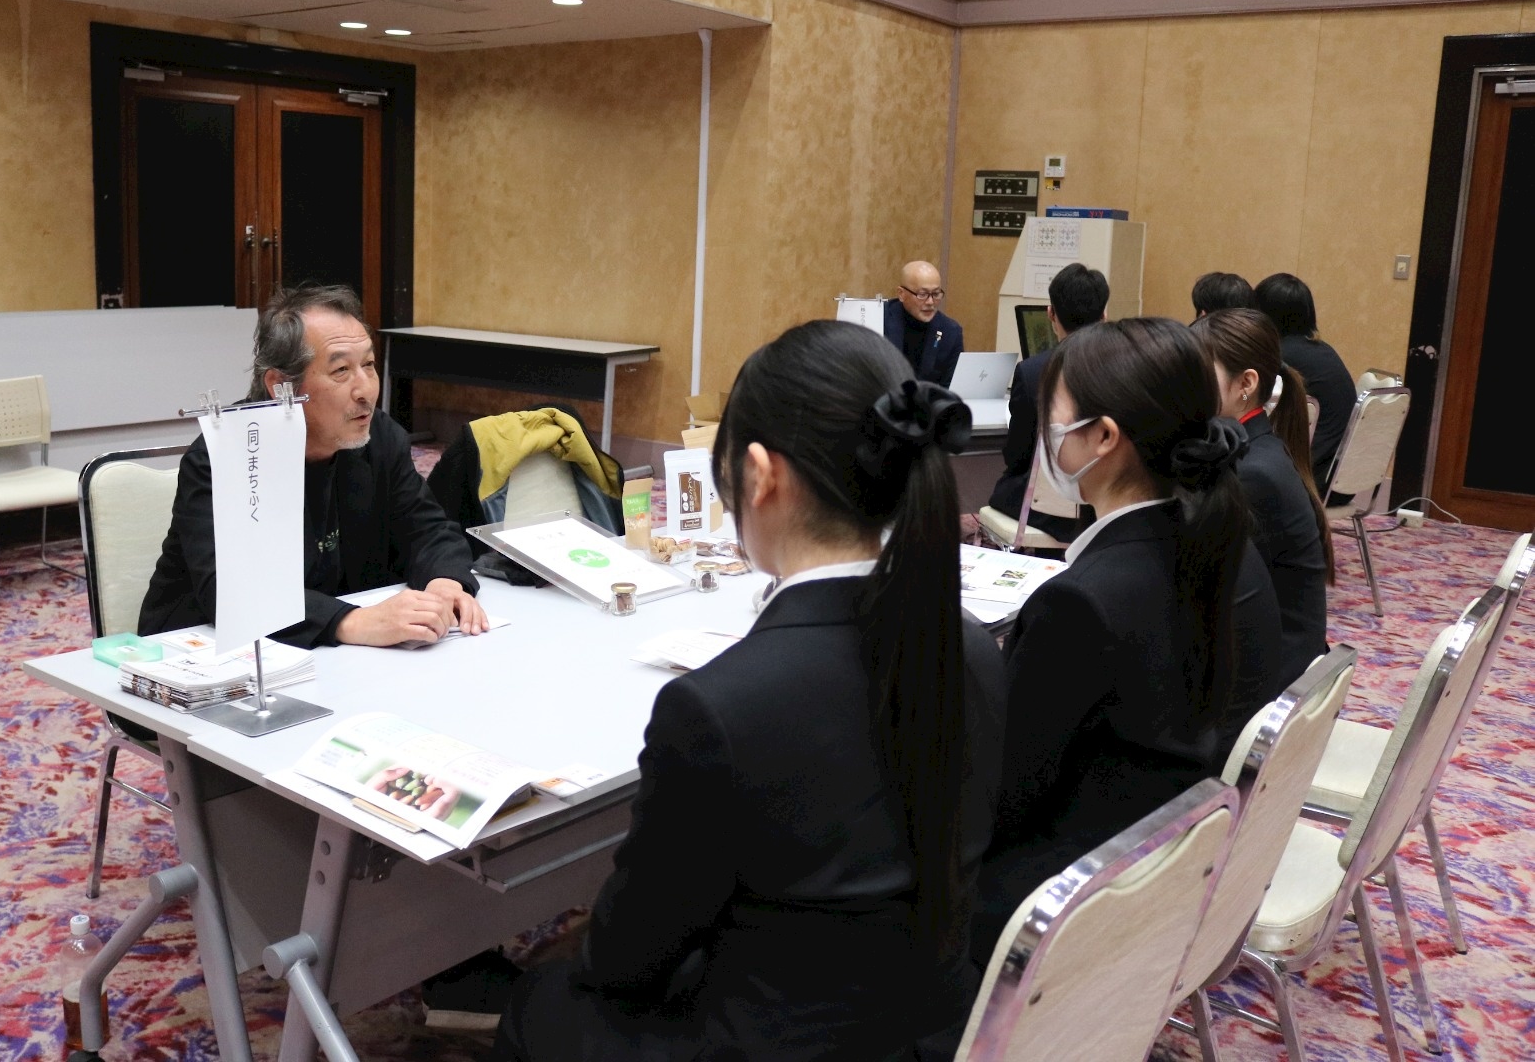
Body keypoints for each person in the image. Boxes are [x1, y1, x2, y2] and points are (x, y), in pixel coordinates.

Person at [492, 320, 1007, 1062]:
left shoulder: (720, 708)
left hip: (768, 1044)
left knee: (539, 1002)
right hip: (938, 1025)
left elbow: (626, 961)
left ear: (760, 475)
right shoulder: (972, 645)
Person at [965, 317, 1282, 999]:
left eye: (1053, 417)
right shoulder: (1217, 537)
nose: (1047, 434)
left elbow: (1001, 802)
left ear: (1104, 437)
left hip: (1065, 905)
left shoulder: (1081, 603)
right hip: (1161, 861)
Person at [138, 284, 485, 648]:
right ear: (280, 385)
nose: (366, 390)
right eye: (341, 370)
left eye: (368, 365)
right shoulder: (228, 455)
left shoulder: (380, 439)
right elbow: (231, 590)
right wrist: (350, 621)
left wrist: (445, 583)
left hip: (337, 657)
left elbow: (428, 530)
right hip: (204, 653)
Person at [1193, 309, 1334, 685]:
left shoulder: (1251, 472)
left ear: (1246, 383)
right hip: (1279, 657)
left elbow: (1208, 595)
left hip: (1272, 679)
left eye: (1198, 373)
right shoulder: (1257, 447)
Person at [987, 261, 1108, 542]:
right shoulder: (1128, 368)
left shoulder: (1031, 372)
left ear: (1051, 313)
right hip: (1105, 502)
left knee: (1005, 487)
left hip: (1051, 510)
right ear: (1104, 314)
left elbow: (1016, 456)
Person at [1252, 273, 1356, 488]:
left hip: (1309, 479)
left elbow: (1247, 401)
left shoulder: (1281, 357)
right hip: (1341, 478)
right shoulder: (1324, 350)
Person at [882, 259, 964, 387]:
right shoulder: (879, 318)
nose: (930, 302)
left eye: (936, 294)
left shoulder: (950, 332)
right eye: (922, 294)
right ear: (901, 294)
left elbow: (951, 387)